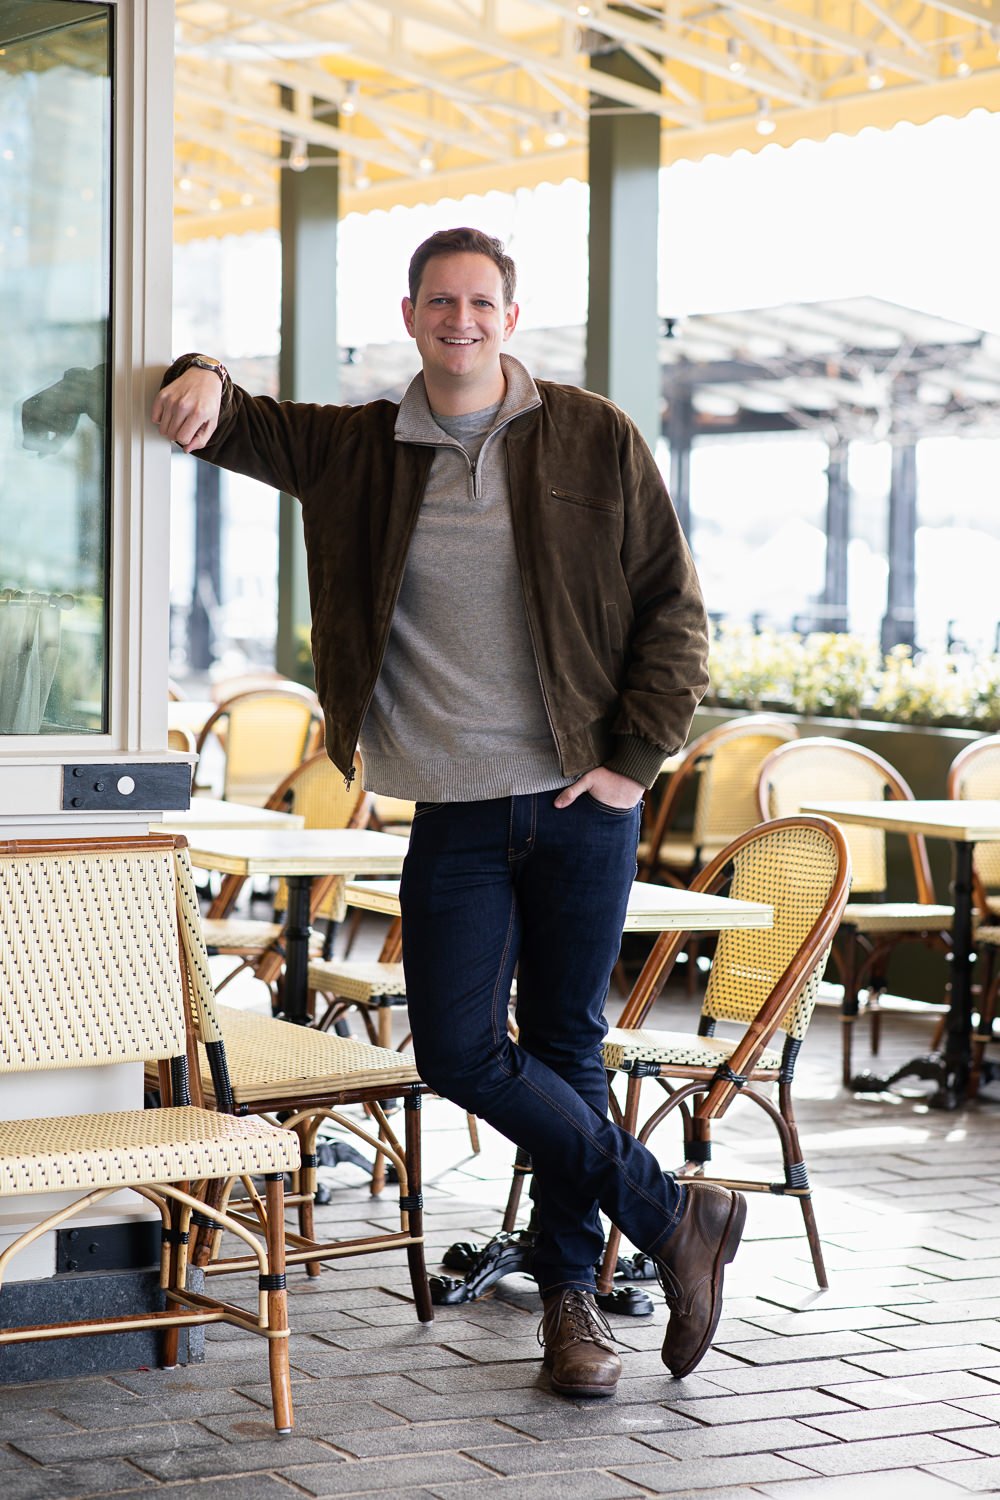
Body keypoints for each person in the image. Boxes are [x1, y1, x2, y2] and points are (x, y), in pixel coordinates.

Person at [152, 226, 745, 1399]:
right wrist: (199, 368)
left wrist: (631, 760)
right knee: (464, 1050)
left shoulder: (593, 436)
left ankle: (573, 1309)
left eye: (481, 303)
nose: (460, 321)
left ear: (509, 317)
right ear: (411, 314)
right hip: (456, 813)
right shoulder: (361, 449)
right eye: (439, 303)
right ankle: (676, 1212)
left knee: (569, 1048)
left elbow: (672, 609)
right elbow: (238, 420)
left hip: (583, 801)